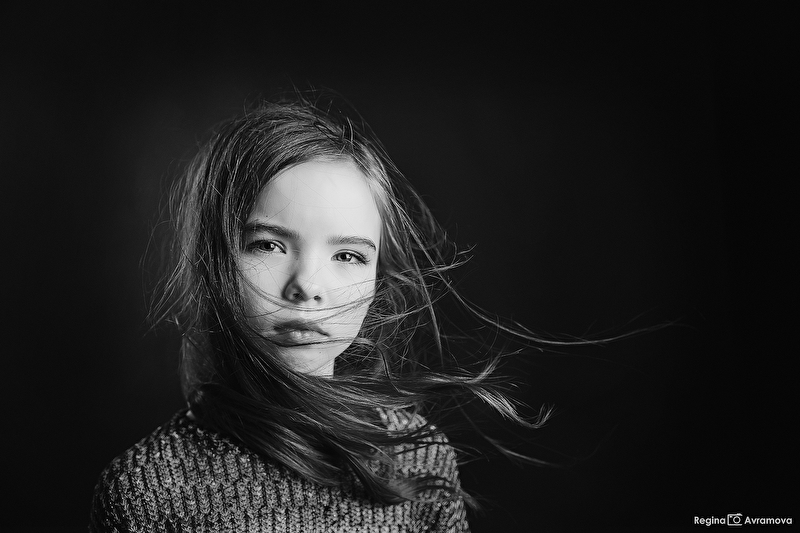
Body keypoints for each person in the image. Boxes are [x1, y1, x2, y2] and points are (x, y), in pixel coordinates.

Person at [89, 93, 547, 532]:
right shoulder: (145, 490)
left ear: (378, 279)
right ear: (214, 261)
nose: (307, 286)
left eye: (348, 256)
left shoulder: (420, 458)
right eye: (268, 245)